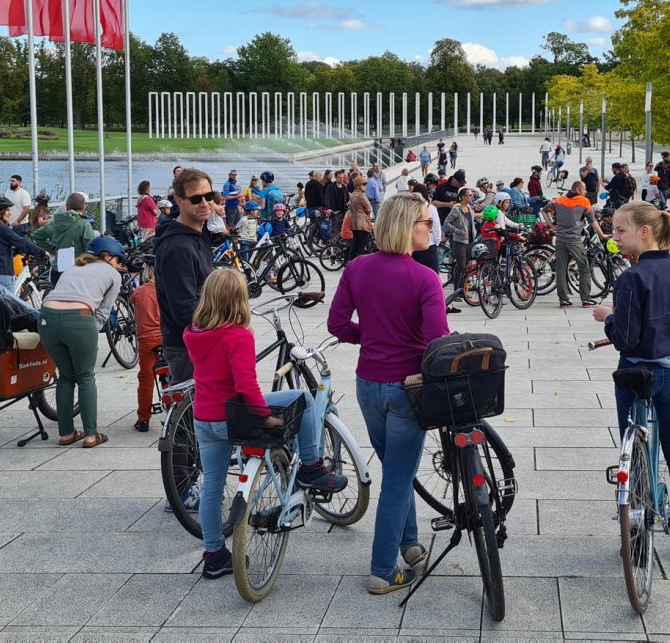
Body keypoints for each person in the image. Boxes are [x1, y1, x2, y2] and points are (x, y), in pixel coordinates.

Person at [189, 268, 348, 579]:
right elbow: (247, 386)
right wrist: (266, 415)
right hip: (234, 416)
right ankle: (312, 467)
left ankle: (214, 555)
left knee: (212, 489)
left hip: (204, 418)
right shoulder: (237, 335)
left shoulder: (193, 332)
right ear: (240, 300)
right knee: (301, 396)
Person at [327, 193, 450, 593]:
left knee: (398, 468)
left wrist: (370, 336)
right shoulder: (424, 277)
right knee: (398, 478)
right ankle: (383, 569)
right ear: (405, 228)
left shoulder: (357, 267)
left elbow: (336, 324)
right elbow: (436, 341)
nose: (431, 228)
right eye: (425, 223)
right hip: (407, 389)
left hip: (368, 386)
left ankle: (410, 544)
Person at [592, 202, 670, 563]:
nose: (615, 237)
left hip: (633, 373)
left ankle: (638, 529)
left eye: (620, 230)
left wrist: (608, 318)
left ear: (644, 231)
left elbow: (625, 338)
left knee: (634, 443)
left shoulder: (631, 278)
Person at [37, 236, 125, 449]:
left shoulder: (73, 268)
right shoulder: (113, 274)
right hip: (79, 317)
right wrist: (88, 333)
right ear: (108, 256)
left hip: (46, 317)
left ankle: (66, 433)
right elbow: (103, 312)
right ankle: (91, 435)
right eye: (118, 260)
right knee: (85, 376)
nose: (119, 265)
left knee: (66, 376)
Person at [155, 169, 216, 386]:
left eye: (209, 196)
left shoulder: (197, 236)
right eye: (196, 198)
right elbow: (185, 309)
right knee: (195, 416)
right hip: (187, 347)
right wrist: (224, 329)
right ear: (179, 200)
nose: (205, 203)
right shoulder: (178, 247)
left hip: (200, 340)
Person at [0, 196, 48, 290]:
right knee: (10, 304)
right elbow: (22, 242)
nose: (10, 213)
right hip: (2, 275)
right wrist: (43, 252)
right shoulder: (0, 228)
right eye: (8, 210)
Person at [551, 180, 606, 308]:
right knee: (584, 268)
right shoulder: (583, 201)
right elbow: (592, 221)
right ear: (577, 190)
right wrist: (602, 235)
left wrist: (551, 225)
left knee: (561, 269)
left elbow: (544, 210)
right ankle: (586, 299)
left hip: (560, 239)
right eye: (584, 189)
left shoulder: (559, 200)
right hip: (575, 240)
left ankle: (563, 300)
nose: (586, 192)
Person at [31, 192, 96, 284]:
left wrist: (52, 249)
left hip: (58, 269)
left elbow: (36, 235)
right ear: (84, 207)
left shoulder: (55, 222)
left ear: (67, 207)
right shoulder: (84, 224)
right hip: (78, 270)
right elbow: (92, 247)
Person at [131, 279, 162, 433]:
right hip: (166, 336)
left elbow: (133, 302)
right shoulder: (168, 288)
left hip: (147, 339)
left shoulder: (139, 291)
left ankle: (143, 419)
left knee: (146, 377)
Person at [443, 187, 479, 304]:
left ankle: (463, 290)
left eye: (472, 195)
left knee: (466, 266)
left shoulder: (470, 209)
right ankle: (456, 292)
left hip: (469, 241)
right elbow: (446, 223)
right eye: (469, 195)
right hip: (459, 242)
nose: (471, 197)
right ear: (463, 197)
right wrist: (458, 231)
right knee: (461, 266)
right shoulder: (456, 210)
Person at [348, 175, 374, 261]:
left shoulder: (352, 195)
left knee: (355, 246)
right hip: (362, 223)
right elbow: (370, 209)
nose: (366, 185)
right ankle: (362, 265)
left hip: (354, 222)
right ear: (359, 185)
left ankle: (351, 263)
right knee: (362, 247)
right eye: (364, 184)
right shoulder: (361, 196)